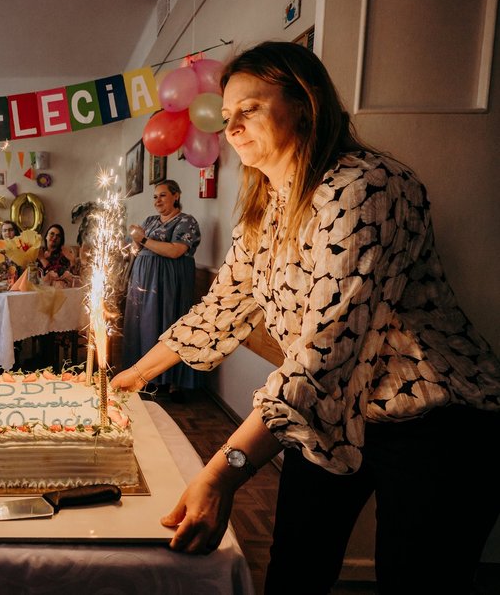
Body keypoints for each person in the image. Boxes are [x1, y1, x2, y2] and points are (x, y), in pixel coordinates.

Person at [112, 41, 500, 593]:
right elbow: (219, 308)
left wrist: (221, 474)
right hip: (331, 410)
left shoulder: (367, 187)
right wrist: (132, 377)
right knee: (296, 566)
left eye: (250, 108)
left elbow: (323, 354)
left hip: (435, 423)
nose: (234, 126)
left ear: (304, 103)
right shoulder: (267, 204)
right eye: (226, 117)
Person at [122, 180, 201, 401]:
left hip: (169, 281)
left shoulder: (187, 222)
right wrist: (134, 239)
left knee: (168, 323)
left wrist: (144, 239)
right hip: (144, 278)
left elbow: (176, 251)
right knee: (143, 324)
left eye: (163, 195)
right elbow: (137, 247)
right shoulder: (150, 220)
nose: (157, 200)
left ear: (176, 196)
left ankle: (172, 381)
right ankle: (142, 376)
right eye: (155, 196)